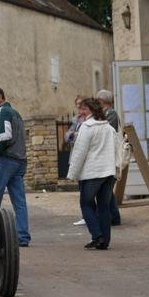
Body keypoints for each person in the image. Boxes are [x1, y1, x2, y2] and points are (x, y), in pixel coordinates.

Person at [67, 97, 119, 250]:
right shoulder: (108, 128)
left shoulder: (87, 127)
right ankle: (105, 241)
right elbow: (115, 149)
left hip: (92, 173)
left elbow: (79, 153)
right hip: (108, 172)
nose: (80, 112)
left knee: (86, 204)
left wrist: (72, 174)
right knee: (103, 206)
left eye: (84, 109)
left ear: (92, 110)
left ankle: (97, 236)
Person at [0, 86, 31, 247]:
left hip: (6, 160)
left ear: (0, 97)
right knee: (19, 202)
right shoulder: (16, 113)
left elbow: (4, 136)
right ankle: (22, 237)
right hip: (19, 160)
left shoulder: (2, 112)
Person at [96, 89, 122, 226]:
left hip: (109, 155)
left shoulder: (111, 113)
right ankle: (114, 216)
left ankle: (114, 217)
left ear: (101, 101)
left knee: (106, 188)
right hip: (106, 154)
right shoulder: (105, 113)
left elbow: (107, 131)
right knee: (107, 188)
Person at [65, 95, 88, 226]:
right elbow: (67, 136)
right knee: (81, 188)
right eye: (77, 105)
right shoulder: (76, 120)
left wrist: (75, 135)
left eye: (81, 105)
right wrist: (74, 134)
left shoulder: (91, 120)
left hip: (88, 159)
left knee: (88, 189)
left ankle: (90, 215)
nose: (79, 108)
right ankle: (85, 215)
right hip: (76, 156)